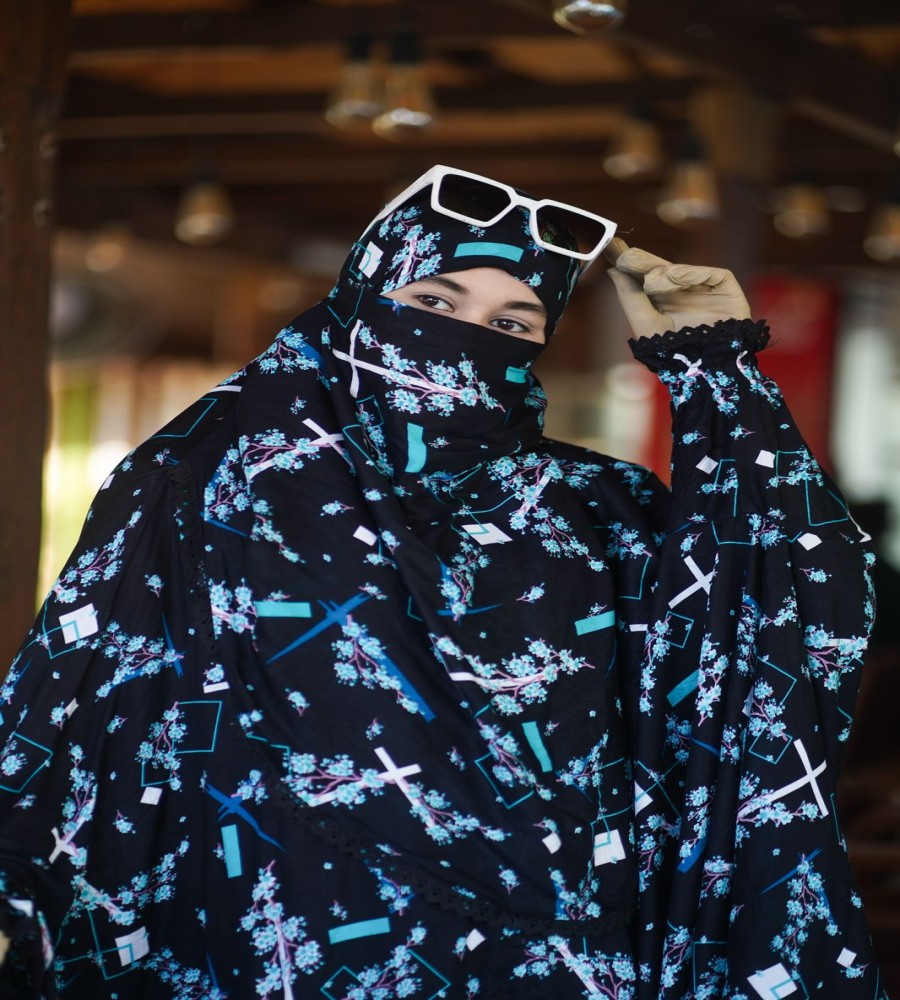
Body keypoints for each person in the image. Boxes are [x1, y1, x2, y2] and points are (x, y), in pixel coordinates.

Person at [0, 164, 885, 998]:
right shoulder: (215, 484)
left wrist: (714, 369)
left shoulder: (597, 506)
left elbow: (787, 600)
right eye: (433, 301)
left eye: (514, 324)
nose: (467, 339)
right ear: (360, 299)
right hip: (286, 928)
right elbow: (87, 703)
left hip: (555, 953)